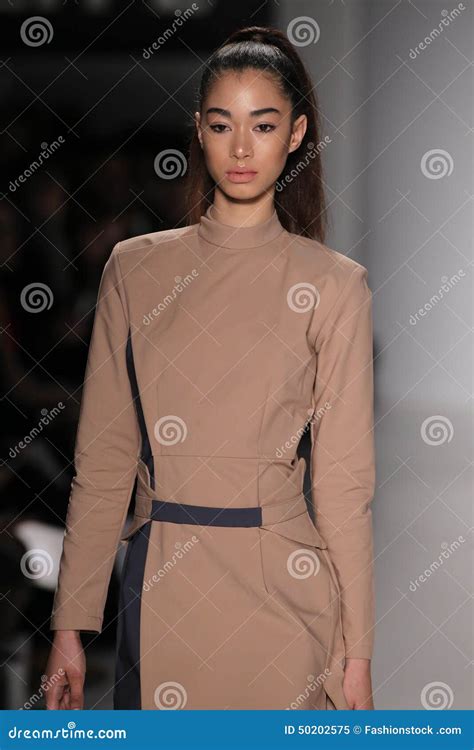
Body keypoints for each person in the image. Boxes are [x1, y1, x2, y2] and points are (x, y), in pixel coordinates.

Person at [45, 25, 376, 711]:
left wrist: (357, 654)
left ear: (296, 133)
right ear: (199, 131)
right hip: (160, 585)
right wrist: (70, 626)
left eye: (264, 124)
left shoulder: (335, 285)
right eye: (223, 124)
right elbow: (104, 458)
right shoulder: (135, 270)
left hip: (288, 596)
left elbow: (344, 485)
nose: (243, 147)